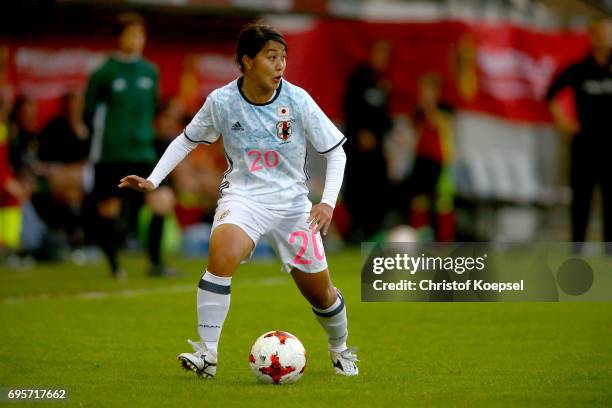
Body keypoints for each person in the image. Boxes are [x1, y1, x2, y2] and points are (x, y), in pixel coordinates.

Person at [119, 23, 358, 377]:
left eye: (283, 58)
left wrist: (326, 203)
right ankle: (207, 354)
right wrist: (154, 179)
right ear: (247, 62)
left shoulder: (298, 100)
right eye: (271, 57)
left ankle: (340, 349)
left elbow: (336, 152)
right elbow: (187, 139)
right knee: (222, 253)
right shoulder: (222, 102)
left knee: (321, 294)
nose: (280, 66)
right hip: (244, 198)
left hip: (293, 206)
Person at [83, 12, 176, 278]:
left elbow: (153, 111)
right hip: (111, 154)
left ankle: (156, 263)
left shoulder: (150, 71)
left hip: (144, 152)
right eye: (131, 34)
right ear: (119, 38)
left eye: (140, 34)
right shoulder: (104, 73)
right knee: (110, 212)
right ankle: (114, 265)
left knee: (163, 201)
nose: (137, 40)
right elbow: (89, 115)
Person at [545, 18, 612, 254]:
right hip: (584, 145)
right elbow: (551, 94)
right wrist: (563, 120)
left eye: (608, 33)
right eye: (600, 33)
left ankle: (608, 252)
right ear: (592, 37)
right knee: (581, 199)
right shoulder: (580, 68)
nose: (604, 38)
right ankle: (577, 249)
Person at [343, 40, 393, 242]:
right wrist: (361, 133)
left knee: (378, 187)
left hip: (377, 147)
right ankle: (354, 230)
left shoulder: (384, 83)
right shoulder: (360, 77)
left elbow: (385, 117)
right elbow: (350, 107)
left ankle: (373, 229)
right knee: (357, 187)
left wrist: (380, 136)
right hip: (358, 146)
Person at [405, 72, 455, 241]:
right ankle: (420, 237)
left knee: (442, 202)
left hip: (440, 159)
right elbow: (413, 127)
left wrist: (430, 106)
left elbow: (440, 123)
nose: (424, 92)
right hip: (421, 158)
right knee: (419, 199)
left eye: (427, 89)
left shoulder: (445, 108)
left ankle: (445, 241)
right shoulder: (419, 110)